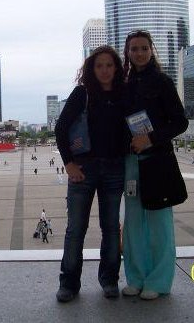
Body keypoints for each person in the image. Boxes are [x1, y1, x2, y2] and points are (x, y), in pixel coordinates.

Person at [55, 45, 128, 302]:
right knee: (76, 229)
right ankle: (69, 283)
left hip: (114, 169)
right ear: (91, 69)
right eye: (99, 66)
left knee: (110, 228)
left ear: (116, 68)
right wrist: (69, 164)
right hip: (83, 170)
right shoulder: (82, 94)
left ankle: (109, 280)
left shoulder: (123, 94)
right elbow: (61, 128)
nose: (105, 70)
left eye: (109, 65)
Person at [122, 30, 188, 300]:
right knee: (134, 223)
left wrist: (150, 139)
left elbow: (180, 122)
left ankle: (159, 281)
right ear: (127, 52)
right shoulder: (123, 84)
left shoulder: (162, 82)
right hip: (131, 163)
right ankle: (135, 277)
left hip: (157, 160)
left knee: (160, 223)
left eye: (144, 48)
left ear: (151, 51)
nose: (139, 53)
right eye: (134, 49)